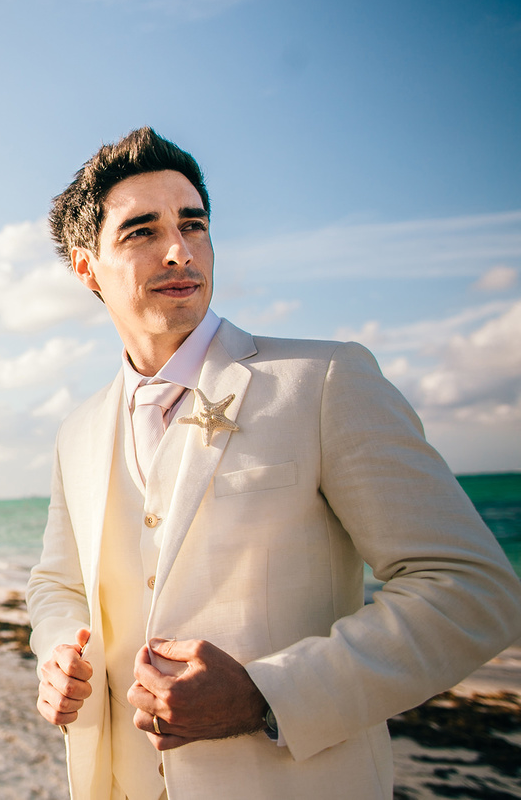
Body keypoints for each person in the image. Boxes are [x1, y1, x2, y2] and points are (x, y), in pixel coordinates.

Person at [25, 127, 521, 800]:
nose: (179, 250)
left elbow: (472, 589)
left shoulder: (325, 381)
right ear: (87, 267)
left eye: (193, 224)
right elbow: (57, 584)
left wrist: (266, 694)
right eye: (142, 231)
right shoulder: (78, 433)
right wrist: (58, 652)